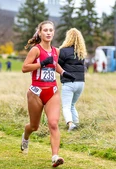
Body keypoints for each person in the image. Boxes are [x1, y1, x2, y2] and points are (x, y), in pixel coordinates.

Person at [21, 21, 75, 167]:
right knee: (34, 126)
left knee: (53, 123)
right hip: (35, 93)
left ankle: (55, 156)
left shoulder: (56, 51)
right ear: (40, 32)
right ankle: (26, 136)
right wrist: (42, 64)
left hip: (52, 91)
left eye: (51, 30)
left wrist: (64, 73)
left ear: (54, 32)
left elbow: (54, 63)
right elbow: (24, 68)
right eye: (45, 30)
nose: (48, 32)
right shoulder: (36, 50)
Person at [58, 28, 87, 132]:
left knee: (66, 105)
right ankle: (76, 123)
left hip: (69, 82)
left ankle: (70, 124)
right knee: (72, 104)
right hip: (81, 83)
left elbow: (58, 65)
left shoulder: (63, 51)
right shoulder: (81, 52)